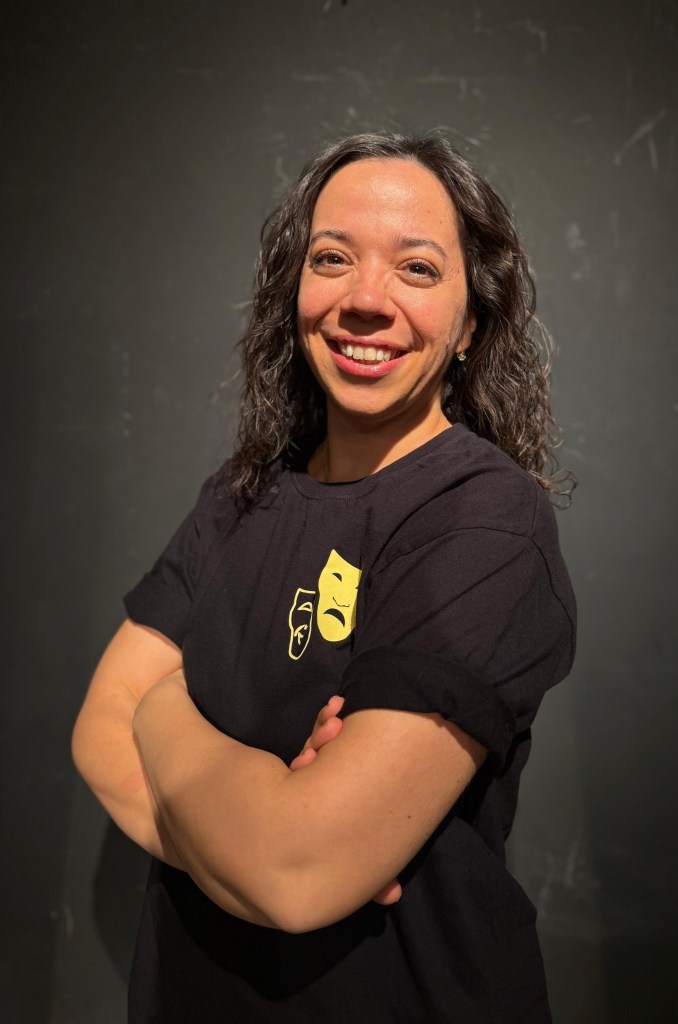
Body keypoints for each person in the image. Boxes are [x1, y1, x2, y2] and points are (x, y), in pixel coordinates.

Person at [72, 132, 576, 1023]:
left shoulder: (486, 521)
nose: (365, 300)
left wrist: (156, 707)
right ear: (293, 290)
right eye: (332, 258)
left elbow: (294, 871)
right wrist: (245, 845)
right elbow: (96, 734)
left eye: (417, 269)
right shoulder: (241, 496)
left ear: (470, 325)